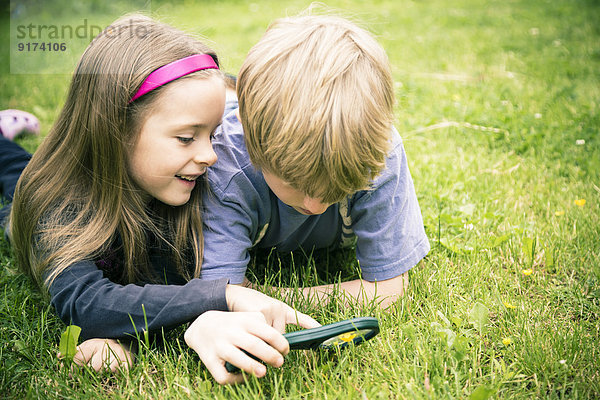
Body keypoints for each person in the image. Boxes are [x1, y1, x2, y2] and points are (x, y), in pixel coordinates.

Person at [2, 15, 318, 385]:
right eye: (187, 138)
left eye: (212, 134)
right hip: (34, 198)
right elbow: (86, 302)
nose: (210, 155)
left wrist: (133, 336)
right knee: (17, 177)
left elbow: (167, 278)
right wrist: (223, 296)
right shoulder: (55, 207)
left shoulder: (187, 181)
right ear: (115, 129)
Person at [198, 14, 430, 308]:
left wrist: (264, 296)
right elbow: (221, 294)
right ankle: (231, 92)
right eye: (295, 183)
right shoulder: (224, 165)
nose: (316, 205)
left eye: (339, 187)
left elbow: (390, 287)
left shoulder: (379, 153)